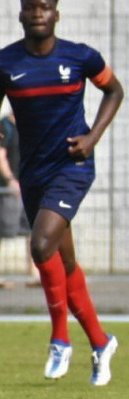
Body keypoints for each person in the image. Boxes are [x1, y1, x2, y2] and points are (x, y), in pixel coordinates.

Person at [0, 0, 125, 385]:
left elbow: (114, 90)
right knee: (64, 263)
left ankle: (60, 338)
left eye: (45, 7)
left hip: (71, 167)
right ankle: (101, 342)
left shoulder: (80, 56)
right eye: (30, 7)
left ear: (56, 14)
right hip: (32, 171)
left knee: (39, 245)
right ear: (20, 15)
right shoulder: (6, 63)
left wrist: (92, 138)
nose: (38, 12)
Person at [0, 107, 40, 287]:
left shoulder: (29, 126)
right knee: (3, 231)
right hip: (8, 190)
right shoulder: (5, 126)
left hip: (28, 188)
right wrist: (10, 180)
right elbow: (1, 156)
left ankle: (35, 275)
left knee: (32, 231)